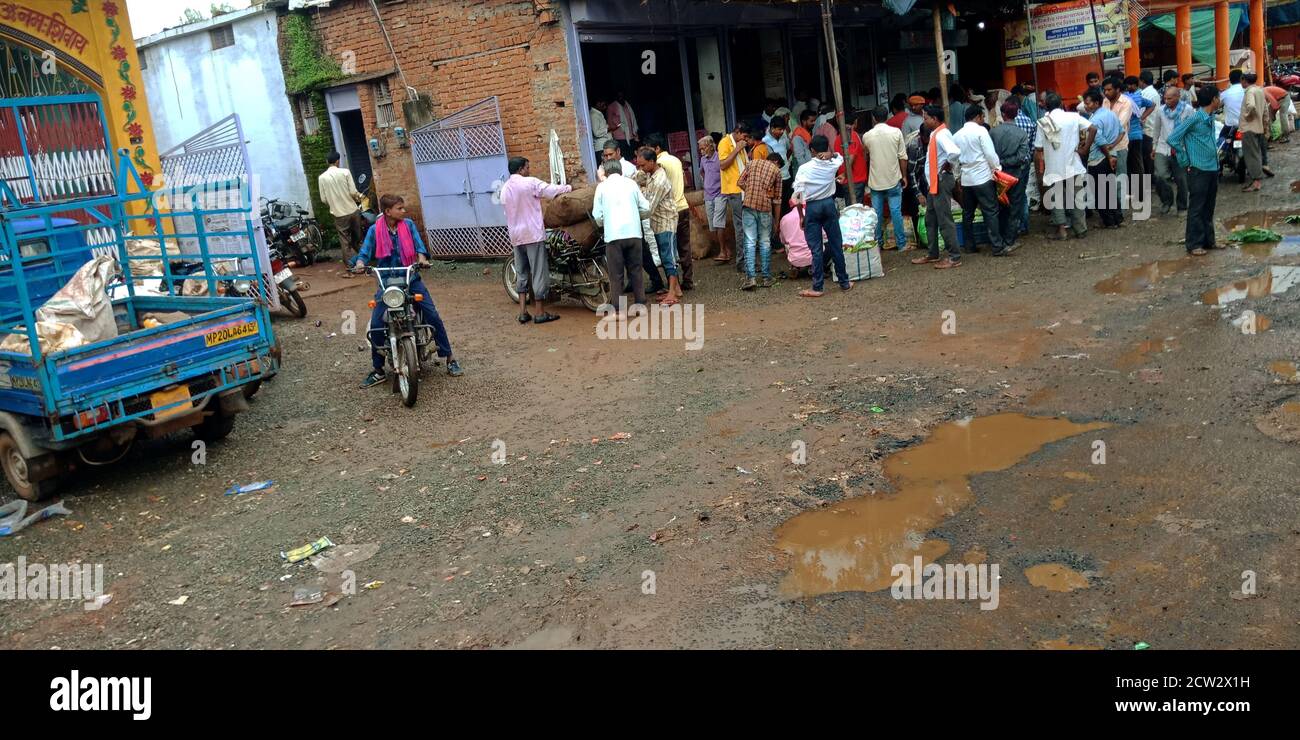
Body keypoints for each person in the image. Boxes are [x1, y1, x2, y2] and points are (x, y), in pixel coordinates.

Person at [352, 194, 461, 386]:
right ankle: (378, 369)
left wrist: (421, 258)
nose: (404, 211)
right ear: (388, 212)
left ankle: (450, 358)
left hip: (411, 278)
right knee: (377, 323)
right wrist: (360, 263)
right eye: (400, 208)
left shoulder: (408, 225)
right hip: (387, 282)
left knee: (432, 316)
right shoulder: (374, 230)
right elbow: (365, 252)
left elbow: (419, 246)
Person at [500, 157, 571, 325]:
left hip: (516, 236)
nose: (529, 170)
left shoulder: (504, 189)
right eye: (527, 167)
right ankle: (539, 312)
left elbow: (506, 212)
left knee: (522, 271)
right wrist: (568, 187)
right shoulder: (530, 183)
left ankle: (523, 312)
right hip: (532, 234)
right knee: (538, 271)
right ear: (521, 169)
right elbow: (550, 190)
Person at [791, 135, 851, 296]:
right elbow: (840, 156)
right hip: (829, 204)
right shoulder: (832, 163)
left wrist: (801, 216)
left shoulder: (804, 168)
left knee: (816, 249)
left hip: (813, 207)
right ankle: (844, 282)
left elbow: (798, 195)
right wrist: (831, 154)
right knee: (836, 243)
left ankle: (817, 287)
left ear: (812, 150)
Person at [1167, 86, 1223, 256]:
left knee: (1209, 206)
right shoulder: (1195, 118)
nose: (1220, 100)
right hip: (1198, 168)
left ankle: (1209, 241)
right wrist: (1185, 159)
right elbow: (1173, 138)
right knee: (1197, 208)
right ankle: (1194, 244)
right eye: (1218, 97)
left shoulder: (1210, 116)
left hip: (1213, 167)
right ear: (1213, 99)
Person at [1035, 90, 1096, 241]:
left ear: (1046, 107)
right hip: (1073, 164)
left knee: (1057, 199)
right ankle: (1080, 229)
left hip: (1054, 167)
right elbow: (1093, 128)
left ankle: (1061, 230)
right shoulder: (1073, 117)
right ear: (1061, 103)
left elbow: (1038, 148)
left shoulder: (1043, 122)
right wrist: (1085, 149)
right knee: (1077, 197)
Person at [592, 159, 650, 311]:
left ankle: (620, 310)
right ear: (620, 170)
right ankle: (640, 306)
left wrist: (606, 223)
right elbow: (646, 207)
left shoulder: (602, 187)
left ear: (605, 172)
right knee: (636, 270)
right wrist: (637, 218)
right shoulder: (631, 184)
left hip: (613, 236)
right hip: (634, 234)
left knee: (616, 274)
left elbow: (597, 216)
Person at [910, 106, 962, 269]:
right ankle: (933, 254)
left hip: (940, 181)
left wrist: (948, 164)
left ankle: (954, 256)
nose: (924, 121)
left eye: (926, 118)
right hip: (934, 182)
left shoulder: (941, 135)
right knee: (930, 218)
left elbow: (954, 152)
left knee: (944, 219)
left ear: (935, 119)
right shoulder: (937, 133)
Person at [952, 105, 1008, 255]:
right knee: (990, 211)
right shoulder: (981, 131)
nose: (983, 120)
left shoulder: (956, 135)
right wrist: (997, 169)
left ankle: (969, 246)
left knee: (968, 213)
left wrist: (958, 176)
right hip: (982, 177)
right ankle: (997, 245)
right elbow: (990, 154)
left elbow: (954, 160)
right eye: (982, 117)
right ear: (977, 117)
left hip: (966, 178)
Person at [646, 133, 694, 290]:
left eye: (650, 149)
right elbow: (685, 182)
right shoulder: (676, 160)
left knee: (668, 250)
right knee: (684, 246)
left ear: (657, 148)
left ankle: (674, 286)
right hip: (683, 206)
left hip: (669, 212)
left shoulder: (658, 164)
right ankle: (688, 280)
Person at [636, 147, 682, 304]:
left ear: (652, 162)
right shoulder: (651, 174)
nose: (640, 169)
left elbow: (649, 207)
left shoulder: (660, 180)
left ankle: (672, 294)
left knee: (669, 257)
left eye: (642, 165)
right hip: (658, 222)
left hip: (666, 222)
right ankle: (675, 289)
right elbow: (635, 178)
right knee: (665, 256)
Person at [862, 105, 909, 251]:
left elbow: (866, 156)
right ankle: (901, 244)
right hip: (893, 179)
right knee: (896, 211)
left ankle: (878, 244)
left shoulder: (867, 136)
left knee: (877, 214)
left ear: (874, 118)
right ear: (887, 116)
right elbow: (903, 157)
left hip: (876, 181)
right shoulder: (896, 132)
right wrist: (904, 176)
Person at [737, 151, 783, 290]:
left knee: (749, 242)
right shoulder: (777, 172)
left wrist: (750, 190)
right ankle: (766, 277)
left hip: (748, 206)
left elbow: (739, 182)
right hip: (764, 208)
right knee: (764, 242)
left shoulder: (751, 163)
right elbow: (777, 200)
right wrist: (776, 221)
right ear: (776, 162)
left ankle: (750, 279)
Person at [990, 99, 1031, 248]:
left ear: (1002, 114)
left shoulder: (993, 132)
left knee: (999, 207)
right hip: (1015, 176)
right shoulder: (1021, 134)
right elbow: (1022, 157)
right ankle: (1009, 240)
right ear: (1016, 113)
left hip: (997, 176)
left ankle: (998, 238)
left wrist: (1000, 163)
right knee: (1015, 208)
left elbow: (989, 154)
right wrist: (1008, 162)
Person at [1148, 85, 1193, 215]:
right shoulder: (1161, 111)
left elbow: (1191, 130)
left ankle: (1182, 207)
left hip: (1181, 149)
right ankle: (1166, 201)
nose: (1166, 101)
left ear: (1178, 97)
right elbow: (1156, 129)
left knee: (1181, 179)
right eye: (1165, 98)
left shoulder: (1188, 110)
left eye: (1169, 98)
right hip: (1163, 148)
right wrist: (1154, 146)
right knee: (1160, 176)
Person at [1082, 90, 1123, 229]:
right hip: (1112, 155)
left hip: (1099, 158)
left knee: (1100, 192)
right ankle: (1118, 218)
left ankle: (1109, 221)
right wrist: (1112, 147)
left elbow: (1099, 141)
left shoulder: (1094, 120)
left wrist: (1108, 153)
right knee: (1110, 188)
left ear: (1096, 103)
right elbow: (1122, 132)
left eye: (1087, 103)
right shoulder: (1111, 114)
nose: (1085, 106)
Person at [318, 151, 364, 268]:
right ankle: (364, 261)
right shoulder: (345, 172)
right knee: (358, 239)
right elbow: (353, 192)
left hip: (339, 215)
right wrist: (359, 197)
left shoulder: (322, 177)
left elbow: (323, 199)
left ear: (327, 162)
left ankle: (351, 266)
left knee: (345, 241)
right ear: (338, 161)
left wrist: (334, 203)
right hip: (353, 211)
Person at [716, 121, 752, 264]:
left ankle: (746, 258)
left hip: (744, 189)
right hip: (734, 190)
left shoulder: (741, 144)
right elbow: (723, 165)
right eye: (744, 135)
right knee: (740, 225)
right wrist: (737, 149)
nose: (745, 139)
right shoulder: (725, 143)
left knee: (747, 224)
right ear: (737, 132)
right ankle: (741, 261)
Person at [1100, 77, 1134, 211]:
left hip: (1119, 145)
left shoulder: (1126, 103)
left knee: (1120, 175)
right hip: (1105, 145)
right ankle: (1112, 207)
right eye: (1105, 90)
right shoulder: (1105, 101)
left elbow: (1119, 124)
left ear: (1117, 89)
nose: (1106, 92)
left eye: (1109, 90)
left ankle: (1122, 208)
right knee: (1109, 177)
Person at [1123, 75, 1154, 208]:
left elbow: (1152, 105)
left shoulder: (1125, 98)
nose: (1129, 87)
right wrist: (1142, 117)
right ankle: (1139, 193)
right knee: (1136, 164)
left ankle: (1138, 193)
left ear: (1135, 85)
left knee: (1133, 164)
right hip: (1135, 135)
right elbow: (1152, 105)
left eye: (1131, 85)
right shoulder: (1138, 97)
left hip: (1130, 136)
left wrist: (1142, 117)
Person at [1240, 72, 1272, 192]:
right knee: (1257, 153)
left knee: (1251, 155)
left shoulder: (1250, 92)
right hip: (1259, 128)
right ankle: (1257, 181)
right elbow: (1265, 111)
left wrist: (1247, 116)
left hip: (1249, 128)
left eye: (1241, 80)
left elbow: (1251, 106)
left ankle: (1256, 182)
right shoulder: (1260, 91)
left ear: (1244, 80)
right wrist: (1265, 126)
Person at [697, 135, 727, 258]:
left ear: (710, 146)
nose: (701, 151)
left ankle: (723, 252)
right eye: (700, 149)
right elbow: (702, 172)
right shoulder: (703, 159)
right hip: (708, 195)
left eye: (703, 148)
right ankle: (725, 249)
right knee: (712, 226)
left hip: (720, 193)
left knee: (718, 223)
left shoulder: (720, 157)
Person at [1012, 101, 1038, 233]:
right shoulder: (1030, 122)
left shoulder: (1010, 123)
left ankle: (1015, 225)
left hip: (1011, 164)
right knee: (1022, 193)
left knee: (1013, 195)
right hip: (1026, 163)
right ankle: (1025, 224)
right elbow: (1033, 145)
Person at [835, 111, 870, 204]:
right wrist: (845, 174)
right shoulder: (851, 135)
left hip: (850, 180)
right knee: (855, 211)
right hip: (854, 180)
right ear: (855, 121)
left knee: (851, 209)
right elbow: (851, 156)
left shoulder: (839, 137)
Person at [606, 92, 639, 159]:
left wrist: (635, 133)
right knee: (624, 157)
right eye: (619, 96)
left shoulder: (627, 105)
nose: (620, 97)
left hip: (631, 136)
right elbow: (609, 124)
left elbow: (632, 120)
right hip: (620, 137)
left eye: (622, 95)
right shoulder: (611, 107)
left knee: (633, 157)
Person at [590, 97, 613, 162]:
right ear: (598, 103)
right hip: (601, 147)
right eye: (603, 104)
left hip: (604, 146)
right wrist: (608, 129)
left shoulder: (598, 113)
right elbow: (596, 132)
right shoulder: (594, 115)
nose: (605, 107)